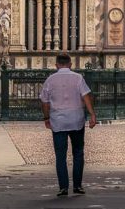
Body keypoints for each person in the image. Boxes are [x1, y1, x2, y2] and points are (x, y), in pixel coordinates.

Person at [39, 53, 97, 197]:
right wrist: (92, 114)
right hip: (76, 119)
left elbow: (44, 102)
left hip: (58, 120)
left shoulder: (50, 80)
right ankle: (77, 185)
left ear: (56, 65)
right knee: (78, 152)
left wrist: (46, 118)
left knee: (60, 155)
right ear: (70, 64)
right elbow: (86, 97)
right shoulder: (78, 78)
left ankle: (63, 187)